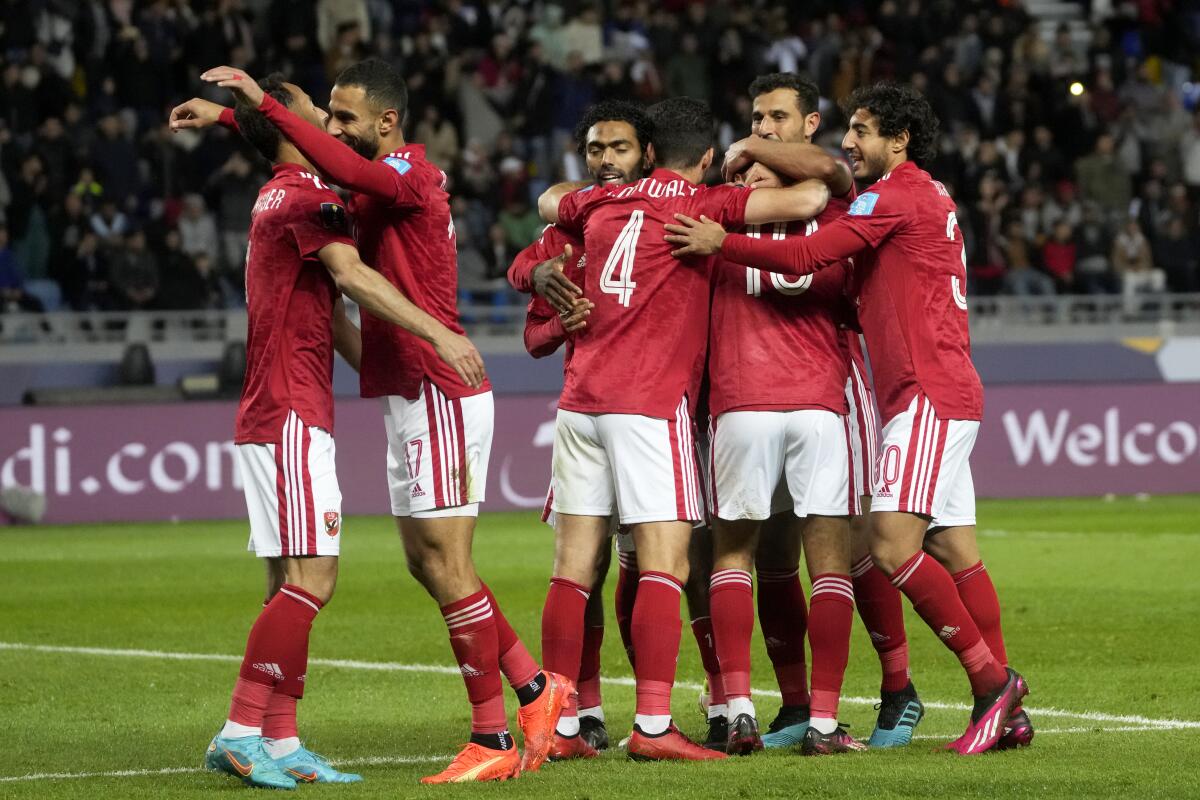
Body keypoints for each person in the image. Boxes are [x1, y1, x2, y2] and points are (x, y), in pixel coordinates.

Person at [191, 59, 570, 784]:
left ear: (387, 123)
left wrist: (265, 108)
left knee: (447, 565)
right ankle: (534, 687)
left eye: (345, 118)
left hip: (437, 385)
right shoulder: (328, 188)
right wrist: (243, 118)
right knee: (426, 564)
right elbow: (305, 143)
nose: (331, 130)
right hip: (401, 389)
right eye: (323, 117)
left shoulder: (405, 174)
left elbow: (323, 167)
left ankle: (492, 739)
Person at [665, 81, 1032, 755]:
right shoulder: (924, 195)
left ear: (899, 140)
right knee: (954, 549)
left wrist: (724, 239)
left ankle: (992, 684)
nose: (850, 143)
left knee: (888, 544)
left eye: (862, 131)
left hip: (924, 392)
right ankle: (1004, 711)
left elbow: (808, 251)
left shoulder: (887, 196)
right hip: (930, 390)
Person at [538, 96, 830, 761]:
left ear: (643, 152)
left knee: (573, 572)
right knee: (667, 565)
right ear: (704, 158)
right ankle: (652, 728)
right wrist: (753, 159)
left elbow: (548, 204)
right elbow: (811, 198)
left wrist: (542, 263)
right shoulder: (704, 202)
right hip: (649, 405)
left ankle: (556, 727)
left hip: (581, 403)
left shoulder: (601, 202)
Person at [707, 71, 899, 755]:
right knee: (826, 566)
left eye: (775, 118)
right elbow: (820, 180)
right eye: (756, 118)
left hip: (743, 401)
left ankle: (738, 710)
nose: (762, 129)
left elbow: (818, 171)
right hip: (815, 399)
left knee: (734, 555)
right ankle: (820, 721)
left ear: (810, 123)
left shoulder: (719, 204)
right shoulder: (832, 200)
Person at [507, 100, 647, 759]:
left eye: (619, 147)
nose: (607, 160)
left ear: (646, 154)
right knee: (582, 568)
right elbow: (533, 336)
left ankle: (695, 704)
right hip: (589, 412)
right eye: (596, 149)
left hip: (658, 414)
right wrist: (553, 298)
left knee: (656, 569)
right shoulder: (568, 233)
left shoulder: (668, 215)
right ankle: (579, 711)